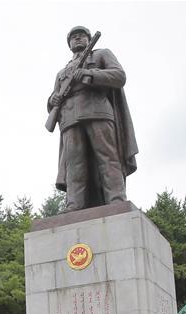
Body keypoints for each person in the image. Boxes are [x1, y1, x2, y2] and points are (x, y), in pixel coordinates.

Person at [48, 25, 138, 212]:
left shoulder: (101, 54)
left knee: (107, 156)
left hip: (97, 110)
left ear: (88, 40)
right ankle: (74, 204)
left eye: (82, 36)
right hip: (69, 118)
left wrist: (89, 74)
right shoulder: (61, 73)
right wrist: (52, 99)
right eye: (74, 37)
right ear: (69, 44)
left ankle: (116, 200)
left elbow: (119, 76)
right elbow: (53, 99)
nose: (78, 39)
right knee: (74, 163)